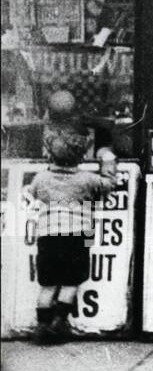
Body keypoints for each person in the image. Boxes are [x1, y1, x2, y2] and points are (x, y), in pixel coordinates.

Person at [29, 129, 119, 344]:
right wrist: (108, 160)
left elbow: (33, 193)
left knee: (48, 284)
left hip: (48, 235)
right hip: (78, 235)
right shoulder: (88, 179)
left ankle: (41, 327)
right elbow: (109, 185)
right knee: (71, 281)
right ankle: (60, 322)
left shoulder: (41, 178)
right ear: (81, 156)